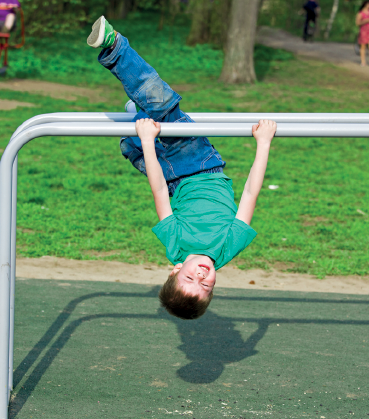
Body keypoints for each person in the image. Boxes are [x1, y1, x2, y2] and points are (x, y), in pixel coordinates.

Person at [87, 16, 277, 320]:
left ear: (176, 269)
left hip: (171, 179)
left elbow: (159, 189)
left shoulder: (175, 246)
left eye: (190, 279)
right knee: (163, 108)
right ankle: (114, 48)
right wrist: (264, 142)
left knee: (136, 142)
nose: (201, 276)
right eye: (206, 286)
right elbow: (251, 193)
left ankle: (137, 118)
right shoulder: (228, 247)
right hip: (201, 164)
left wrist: (147, 141)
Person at [355, 0, 369, 67]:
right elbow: (357, 23)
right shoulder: (360, 13)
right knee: (363, 46)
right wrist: (366, 21)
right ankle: (363, 61)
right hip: (363, 31)